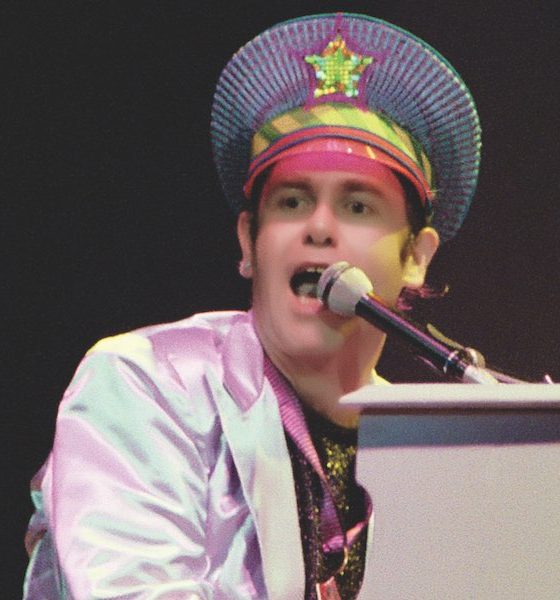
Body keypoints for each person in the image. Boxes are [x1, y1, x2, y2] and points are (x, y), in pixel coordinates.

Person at [23, 12, 481, 599]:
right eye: (292, 202)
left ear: (416, 256)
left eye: (358, 207)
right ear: (249, 243)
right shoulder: (148, 383)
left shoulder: (438, 453)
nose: (318, 227)